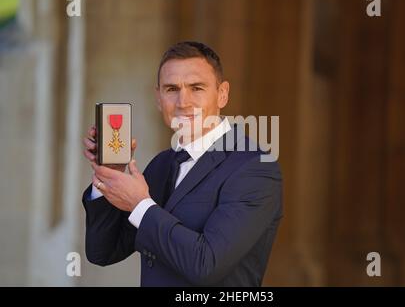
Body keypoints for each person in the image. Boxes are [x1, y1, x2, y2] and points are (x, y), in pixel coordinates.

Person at [82, 41, 283, 286]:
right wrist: (108, 177)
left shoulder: (254, 168)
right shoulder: (161, 165)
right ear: (158, 98)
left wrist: (140, 204)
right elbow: (103, 252)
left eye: (196, 88)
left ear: (222, 94)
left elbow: (206, 265)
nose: (183, 102)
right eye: (171, 89)